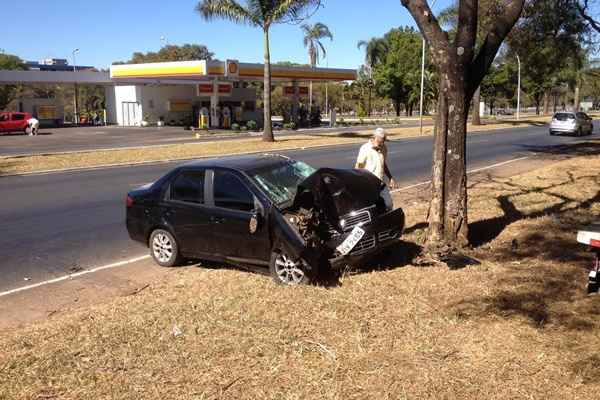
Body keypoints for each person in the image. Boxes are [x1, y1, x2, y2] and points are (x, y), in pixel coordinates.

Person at [355, 127, 397, 208]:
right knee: (372, 208)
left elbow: (383, 164)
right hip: (369, 184)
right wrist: (358, 182)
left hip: (380, 184)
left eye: (385, 140)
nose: (384, 142)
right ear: (376, 138)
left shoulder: (384, 148)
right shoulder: (365, 148)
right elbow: (358, 166)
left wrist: (390, 178)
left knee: (389, 205)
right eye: (382, 139)